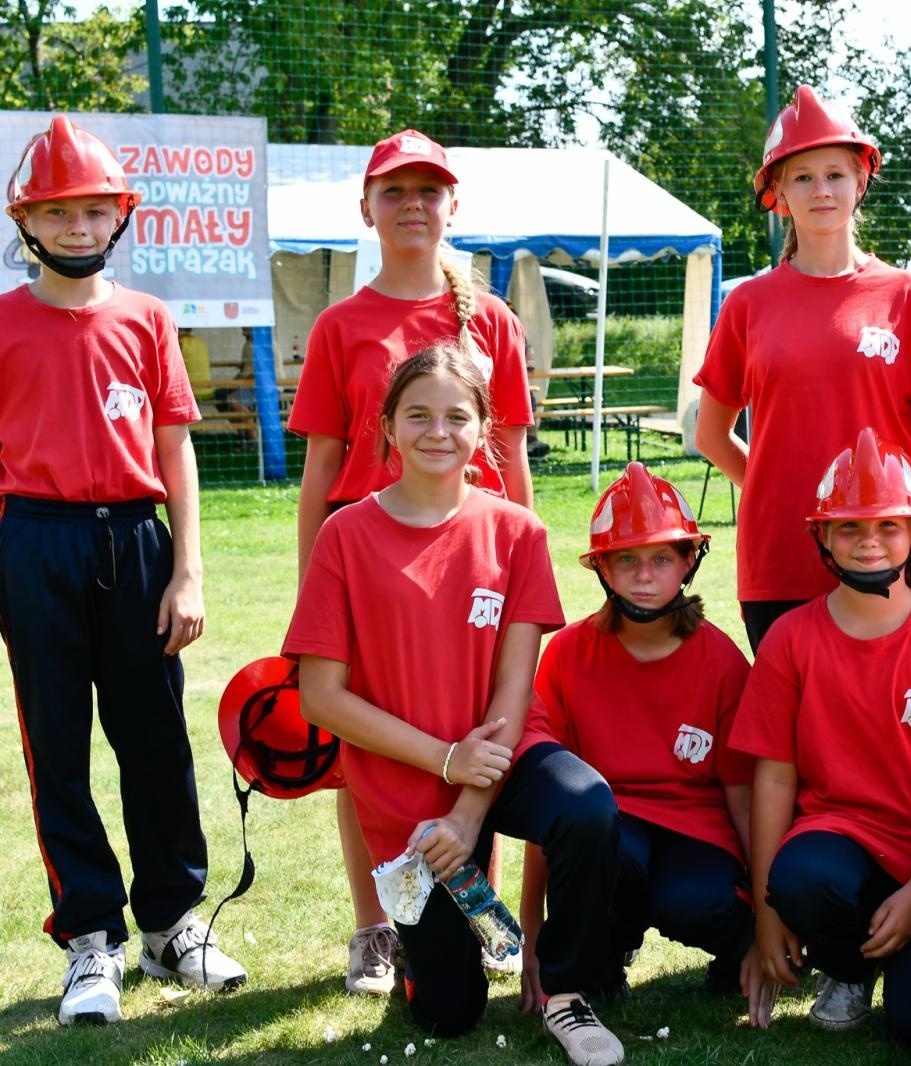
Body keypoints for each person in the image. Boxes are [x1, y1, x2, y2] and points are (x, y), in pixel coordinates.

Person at [285, 345, 625, 1065]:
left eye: (456, 417)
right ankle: (425, 955)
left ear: (483, 431)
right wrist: (443, 761)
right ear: (386, 427)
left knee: (587, 805)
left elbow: (513, 687)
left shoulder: (517, 531)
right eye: (418, 415)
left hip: (503, 756)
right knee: (449, 1015)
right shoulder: (344, 535)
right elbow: (320, 697)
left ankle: (565, 988)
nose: (437, 432)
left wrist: (469, 809)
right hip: (406, 784)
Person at [0, 114, 248, 1025]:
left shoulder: (147, 319)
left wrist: (187, 571)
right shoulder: (2, 324)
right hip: (33, 538)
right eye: (56, 211)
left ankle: (172, 923)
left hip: (136, 540)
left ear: (120, 219)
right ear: (25, 221)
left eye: (93, 210)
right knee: (57, 747)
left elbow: (175, 450)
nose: (76, 227)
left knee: (154, 739)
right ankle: (90, 939)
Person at [289, 128, 536, 996]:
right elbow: (321, 469)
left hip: (474, 559)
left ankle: (478, 910)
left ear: (452, 206)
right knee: (369, 749)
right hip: (366, 561)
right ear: (367, 208)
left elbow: (515, 466)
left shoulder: (491, 319)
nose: (412, 206)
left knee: (480, 726)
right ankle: (372, 927)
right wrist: (307, 583)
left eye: (429, 191)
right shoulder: (340, 325)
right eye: (394, 191)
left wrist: (523, 573)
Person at [732, 427, 911, 1043]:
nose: (869, 542)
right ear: (822, 536)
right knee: (802, 878)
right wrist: (769, 914)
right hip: (839, 844)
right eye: (849, 527)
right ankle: (847, 967)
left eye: (888, 526)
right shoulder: (791, 640)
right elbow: (773, 776)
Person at [518, 461, 774, 1024]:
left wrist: (764, 928)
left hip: (699, 833)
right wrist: (534, 935)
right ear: (602, 568)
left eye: (662, 557)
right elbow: (547, 817)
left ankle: (731, 954)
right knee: (611, 853)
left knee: (691, 898)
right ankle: (598, 963)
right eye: (626, 559)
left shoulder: (723, 663)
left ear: (689, 560)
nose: (643, 575)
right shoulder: (565, 657)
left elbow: (744, 802)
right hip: (613, 830)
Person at [694, 86, 911, 651]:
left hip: (890, 549)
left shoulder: (907, 296)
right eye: (802, 177)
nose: (821, 189)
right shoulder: (749, 304)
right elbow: (711, 435)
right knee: (797, 729)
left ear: (861, 180)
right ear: (778, 192)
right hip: (781, 556)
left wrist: (893, 498)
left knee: (898, 725)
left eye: (834, 173)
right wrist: (784, 491)